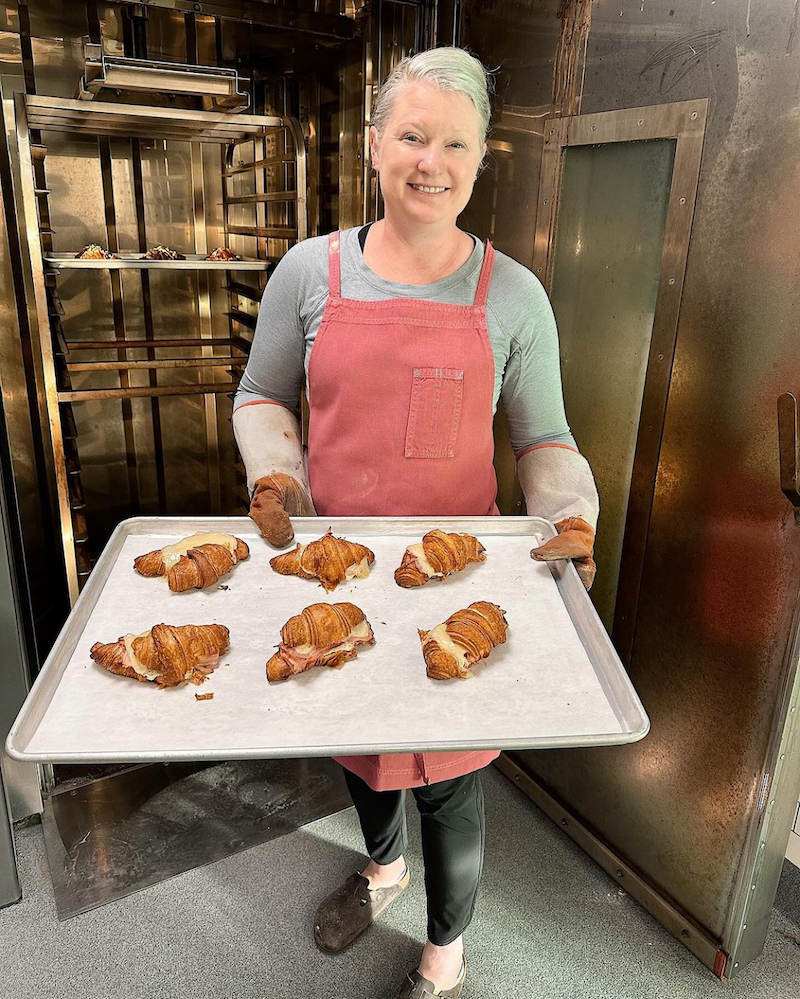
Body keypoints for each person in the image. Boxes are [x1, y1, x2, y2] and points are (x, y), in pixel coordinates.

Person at [232, 46, 599, 999]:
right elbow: (261, 394)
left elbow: (545, 440)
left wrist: (569, 512)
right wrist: (278, 474)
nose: (430, 160)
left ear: (482, 159)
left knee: (450, 779)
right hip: (334, 576)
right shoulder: (307, 272)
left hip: (456, 584)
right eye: (412, 135)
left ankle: (446, 947)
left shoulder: (514, 294)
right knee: (363, 753)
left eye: (455, 142)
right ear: (375, 146)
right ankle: (382, 866)